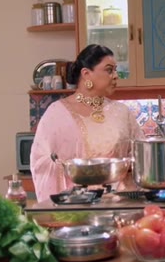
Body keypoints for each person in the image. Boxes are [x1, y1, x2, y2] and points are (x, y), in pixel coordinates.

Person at [30, 44, 142, 202]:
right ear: (86, 74)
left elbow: (140, 154)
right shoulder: (57, 113)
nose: (116, 76)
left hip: (118, 202)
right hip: (78, 205)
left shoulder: (122, 112)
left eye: (115, 70)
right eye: (109, 70)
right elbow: (41, 161)